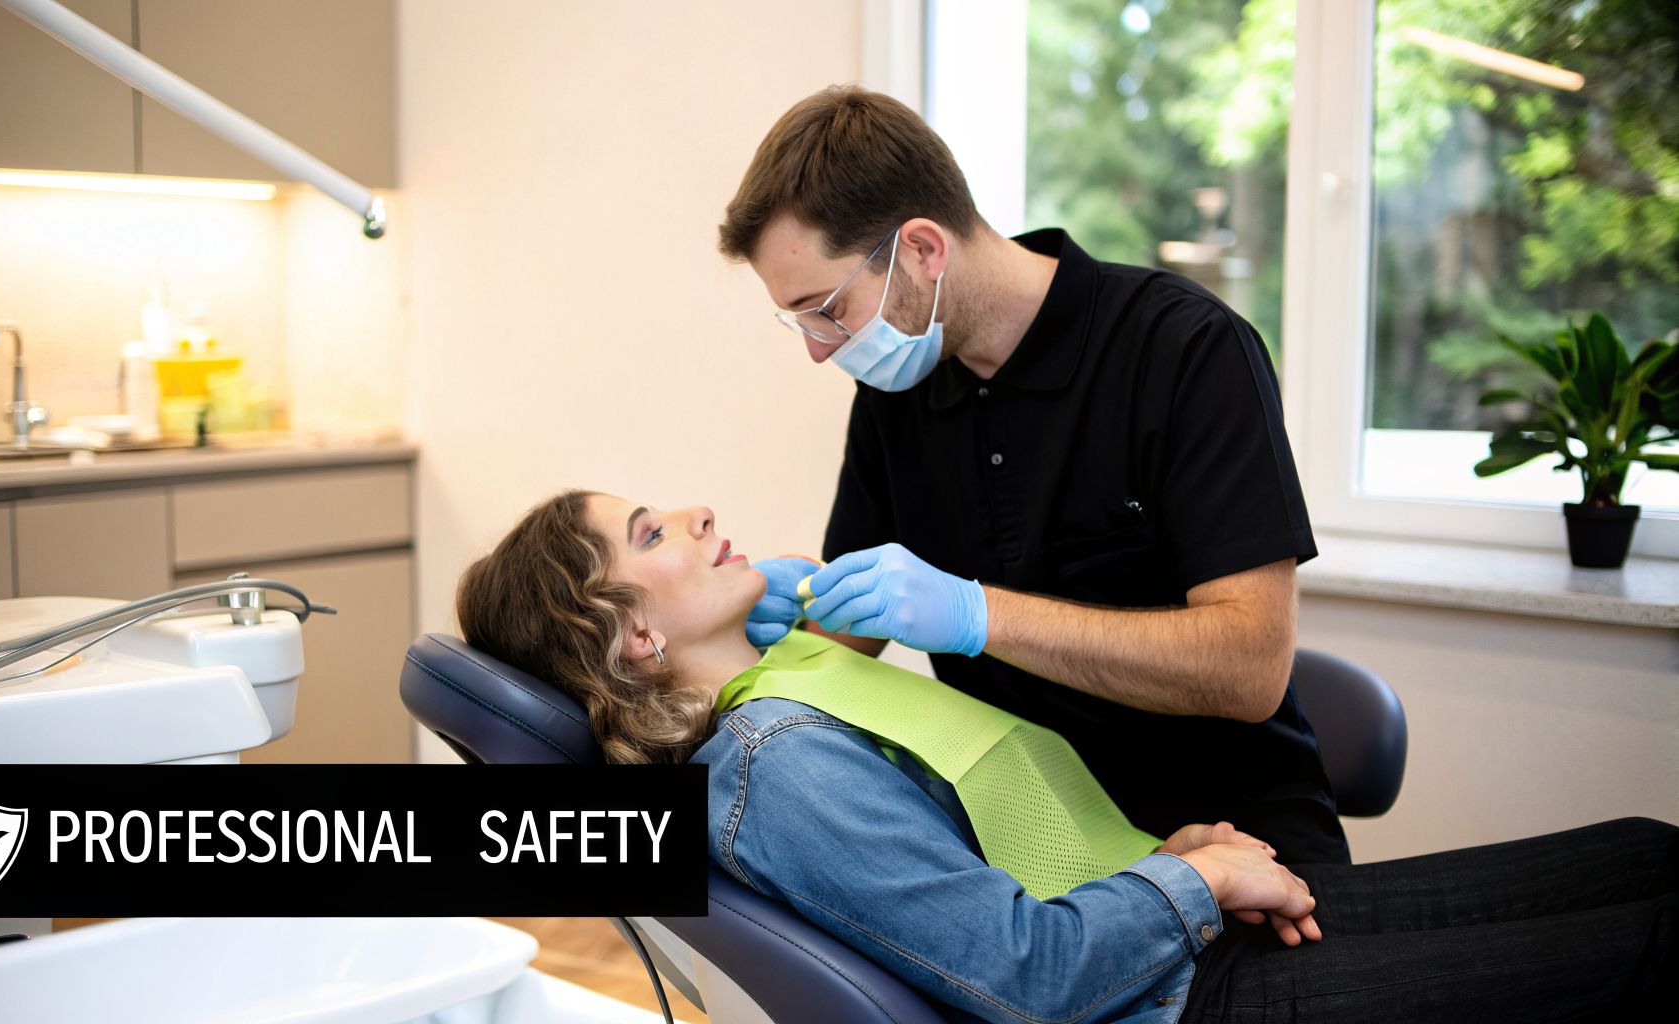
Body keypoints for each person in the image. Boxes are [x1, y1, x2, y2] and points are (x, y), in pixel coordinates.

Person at [454, 490, 1678, 1024]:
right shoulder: (777, 765)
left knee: (1644, 854)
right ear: (632, 637)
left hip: (1166, 951)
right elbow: (1024, 976)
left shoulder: (798, 694)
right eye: (653, 532)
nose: (701, 514)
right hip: (1174, 1004)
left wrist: (1159, 860)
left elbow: (1004, 870)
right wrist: (1192, 886)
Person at [718, 85, 1348, 865]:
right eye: (802, 322)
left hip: (1237, 840)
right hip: (1031, 850)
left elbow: (1250, 667)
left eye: (827, 309)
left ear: (922, 248)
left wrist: (975, 614)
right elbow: (850, 634)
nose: (820, 348)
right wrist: (763, 611)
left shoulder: (1184, 350)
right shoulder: (898, 396)